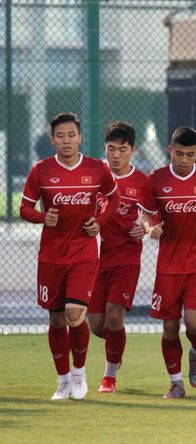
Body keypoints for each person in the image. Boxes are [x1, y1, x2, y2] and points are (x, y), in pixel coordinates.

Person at [19, 112, 120, 400]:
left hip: (84, 253)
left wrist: (100, 221)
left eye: (71, 135)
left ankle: (79, 375)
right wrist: (41, 217)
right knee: (56, 320)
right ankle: (62, 380)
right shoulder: (40, 170)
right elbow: (24, 208)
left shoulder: (97, 169)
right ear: (52, 140)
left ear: (80, 137)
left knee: (75, 314)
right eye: (60, 136)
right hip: (51, 256)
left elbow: (114, 198)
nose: (66, 140)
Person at [138, 127, 196, 399]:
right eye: (179, 154)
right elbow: (145, 212)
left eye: (190, 155)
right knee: (169, 327)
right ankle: (176, 383)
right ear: (170, 150)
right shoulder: (156, 179)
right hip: (168, 266)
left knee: (192, 323)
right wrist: (149, 228)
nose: (184, 160)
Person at [87, 121, 147, 393]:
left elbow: (153, 214)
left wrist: (145, 226)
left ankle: (109, 375)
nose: (116, 155)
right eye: (111, 149)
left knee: (114, 316)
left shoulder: (142, 182)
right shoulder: (94, 176)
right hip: (94, 260)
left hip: (126, 259)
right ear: (105, 148)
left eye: (122, 149)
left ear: (132, 150)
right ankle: (116, 348)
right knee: (96, 324)